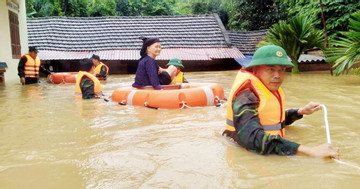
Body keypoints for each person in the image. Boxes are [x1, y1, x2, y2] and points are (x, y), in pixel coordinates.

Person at [222, 44, 339, 159]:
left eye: (282, 70)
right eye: (271, 69)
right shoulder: (245, 96)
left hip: (270, 148)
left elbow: (273, 121)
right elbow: (252, 139)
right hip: (245, 153)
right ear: (255, 70)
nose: (277, 75)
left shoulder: (269, 88)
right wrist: (309, 151)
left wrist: (300, 112)